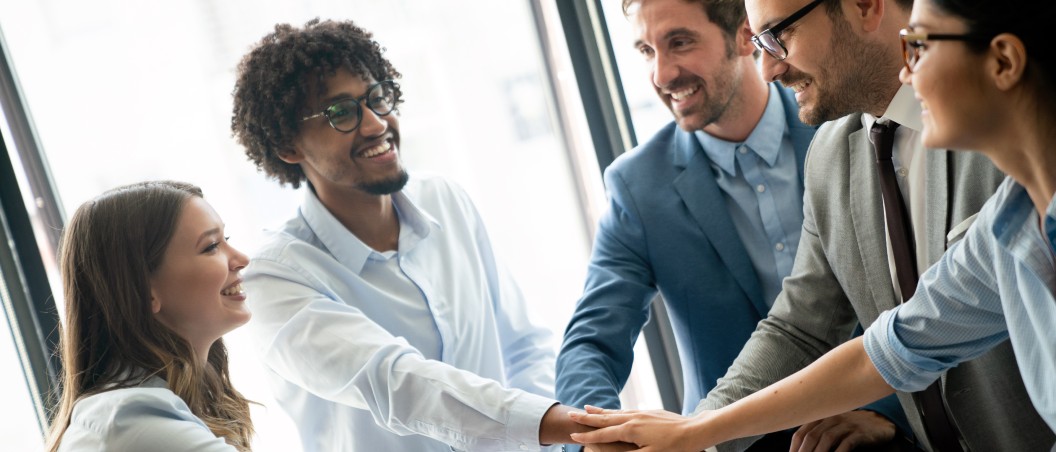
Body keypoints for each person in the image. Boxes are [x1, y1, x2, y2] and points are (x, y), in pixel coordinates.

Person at [568, 0, 1056, 451]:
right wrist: (697, 431)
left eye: (921, 45)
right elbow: (876, 343)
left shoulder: (990, 137)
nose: (909, 71)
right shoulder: (993, 219)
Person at [555, 0, 907, 450]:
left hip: (875, 433)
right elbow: (590, 342)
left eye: (680, 42)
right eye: (646, 51)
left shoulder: (843, 127)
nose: (661, 75)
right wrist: (602, 439)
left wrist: (885, 411)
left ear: (746, 34)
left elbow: (923, 309)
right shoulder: (637, 187)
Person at [230, 19, 586, 452]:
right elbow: (399, 384)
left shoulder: (445, 200)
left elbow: (522, 347)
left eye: (377, 98)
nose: (376, 124)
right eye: (341, 112)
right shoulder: (276, 279)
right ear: (288, 146)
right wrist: (578, 428)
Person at [44, 181, 254, 451]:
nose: (241, 258)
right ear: (144, 290)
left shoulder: (148, 408)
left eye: (227, 240)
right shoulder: (130, 420)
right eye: (211, 246)